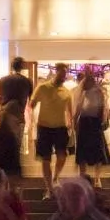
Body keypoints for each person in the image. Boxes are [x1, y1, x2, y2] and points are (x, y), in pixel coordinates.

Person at [29, 63, 75, 195]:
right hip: (44, 127)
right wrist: (31, 122)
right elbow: (32, 104)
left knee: (62, 156)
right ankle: (49, 187)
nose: (63, 76)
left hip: (60, 127)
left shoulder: (66, 92)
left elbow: (70, 111)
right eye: (62, 73)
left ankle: (55, 177)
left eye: (65, 74)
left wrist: (71, 124)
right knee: (45, 158)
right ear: (56, 72)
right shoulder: (43, 87)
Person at [72, 65, 110, 185]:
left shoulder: (98, 91)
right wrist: (75, 122)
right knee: (83, 151)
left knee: (98, 150)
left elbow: (103, 106)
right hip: (86, 121)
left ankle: (97, 178)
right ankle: (84, 176)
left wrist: (103, 119)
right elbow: (79, 107)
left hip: (94, 122)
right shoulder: (83, 91)